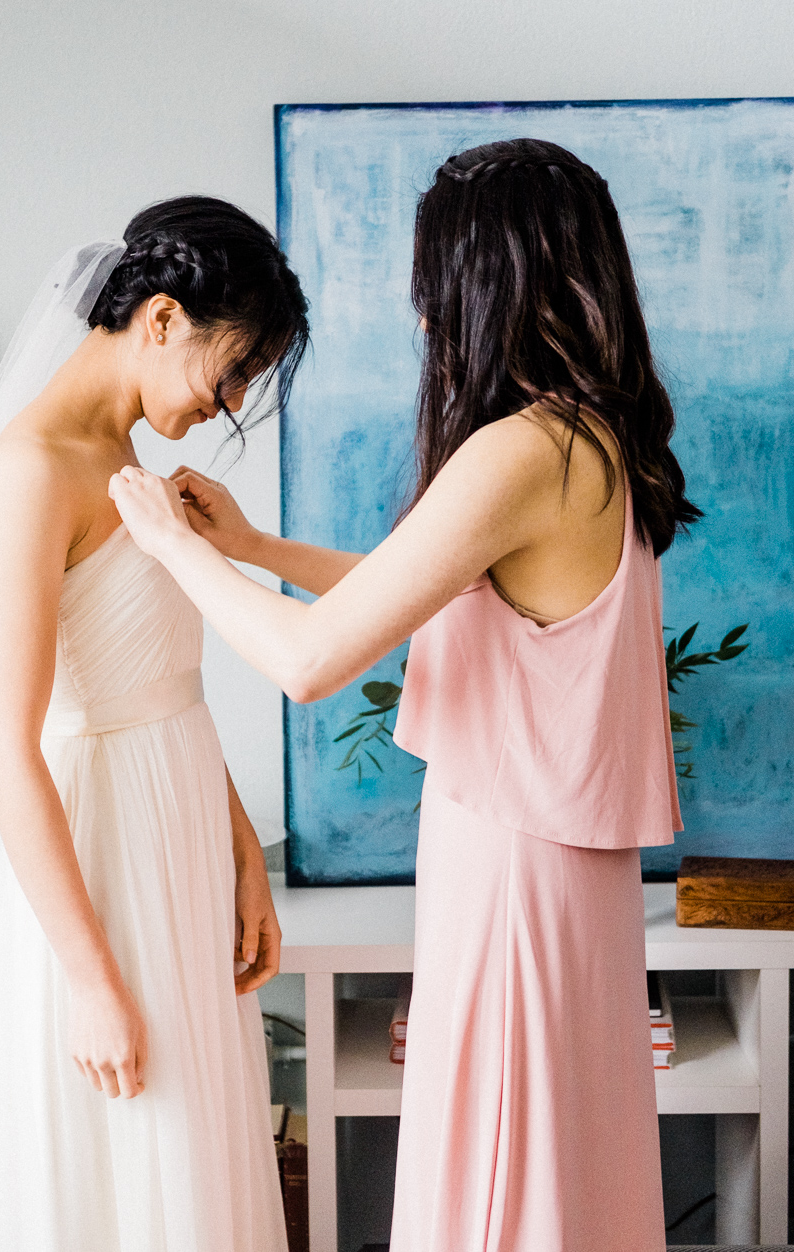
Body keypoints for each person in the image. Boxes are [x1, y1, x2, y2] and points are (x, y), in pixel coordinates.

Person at [109, 140, 700, 1252]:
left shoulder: (523, 450)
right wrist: (254, 543)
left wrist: (176, 551)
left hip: (517, 872)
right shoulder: (579, 437)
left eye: (435, 288)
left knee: (507, 1175)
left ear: (487, 285)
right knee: (553, 1172)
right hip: (547, 872)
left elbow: (309, 660)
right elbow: (440, 591)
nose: (426, 319)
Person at [0, 197, 308, 1252]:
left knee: (193, 1167)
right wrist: (91, 978)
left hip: (177, 840)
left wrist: (242, 848)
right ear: (161, 320)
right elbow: (0, 743)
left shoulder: (132, 463)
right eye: (234, 368)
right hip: (98, 864)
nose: (232, 401)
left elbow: (164, 679)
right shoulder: (30, 471)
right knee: (128, 1165)